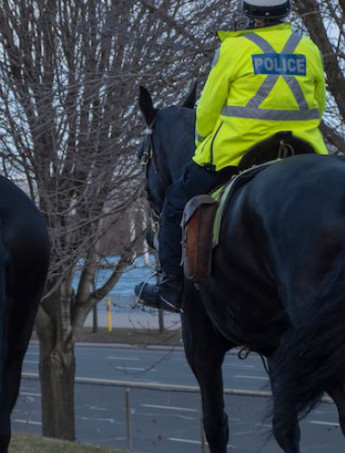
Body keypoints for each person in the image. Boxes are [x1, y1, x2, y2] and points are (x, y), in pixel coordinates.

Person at [136, 0, 327, 312]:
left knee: (174, 202)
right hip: (302, 151)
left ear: (249, 14)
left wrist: (202, 147)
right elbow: (317, 106)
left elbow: (208, 110)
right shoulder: (308, 49)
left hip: (238, 152)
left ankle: (170, 288)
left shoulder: (235, 50)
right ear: (285, 12)